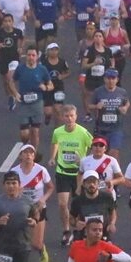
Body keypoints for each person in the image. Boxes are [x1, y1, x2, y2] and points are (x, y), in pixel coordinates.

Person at [49, 105, 93, 246]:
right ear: (62, 117)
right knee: (62, 204)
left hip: (78, 174)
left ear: (76, 116)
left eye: (72, 116)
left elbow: (96, 147)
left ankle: (80, 230)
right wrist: (52, 157)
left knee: (78, 203)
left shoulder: (83, 132)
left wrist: (85, 161)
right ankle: (67, 230)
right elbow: (55, 143)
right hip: (62, 172)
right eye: (66, 116)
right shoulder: (57, 132)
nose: (69, 119)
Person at [11, 144, 53, 262]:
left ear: (34, 156)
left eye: (31, 153)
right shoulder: (14, 172)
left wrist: (43, 199)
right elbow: (8, 189)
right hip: (21, 208)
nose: (28, 155)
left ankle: (41, 248)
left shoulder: (41, 170)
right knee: (21, 241)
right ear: (20, 156)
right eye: (25, 153)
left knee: (36, 243)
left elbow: (51, 187)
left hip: (38, 208)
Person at [10, 46, 52, 149]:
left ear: (37, 57)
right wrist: (15, 93)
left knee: (35, 131)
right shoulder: (20, 68)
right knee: (24, 134)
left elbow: (51, 85)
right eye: (29, 55)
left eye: (33, 55)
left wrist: (45, 87)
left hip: (37, 103)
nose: (31, 57)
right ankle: (26, 145)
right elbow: (11, 82)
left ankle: (34, 152)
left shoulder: (42, 69)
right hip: (24, 103)